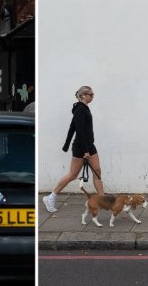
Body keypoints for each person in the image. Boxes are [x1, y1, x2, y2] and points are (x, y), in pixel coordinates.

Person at [41, 86, 101, 214]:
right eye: (91, 94)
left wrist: (66, 144)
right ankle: (50, 197)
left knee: (97, 171)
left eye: (93, 94)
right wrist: (84, 151)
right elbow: (78, 130)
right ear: (83, 95)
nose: (92, 96)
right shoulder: (80, 109)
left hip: (90, 145)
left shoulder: (83, 108)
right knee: (72, 175)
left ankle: (103, 199)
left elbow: (71, 127)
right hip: (81, 147)